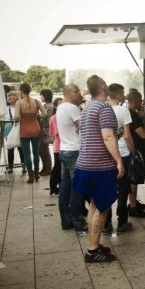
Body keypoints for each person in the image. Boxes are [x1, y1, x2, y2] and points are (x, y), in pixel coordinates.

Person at [73, 75, 123, 262]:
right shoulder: (104, 108)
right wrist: (118, 160)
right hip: (100, 166)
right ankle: (93, 251)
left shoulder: (87, 109)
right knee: (102, 208)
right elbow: (108, 136)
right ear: (103, 86)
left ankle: (93, 244)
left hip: (85, 164)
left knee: (94, 205)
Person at [103, 84, 134, 235]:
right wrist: (133, 152)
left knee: (107, 189)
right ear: (118, 95)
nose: (124, 95)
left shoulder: (102, 109)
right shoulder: (123, 110)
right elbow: (127, 136)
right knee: (122, 190)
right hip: (122, 153)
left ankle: (106, 224)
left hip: (107, 154)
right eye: (122, 93)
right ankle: (122, 222)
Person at [56, 85, 86, 231]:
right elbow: (85, 126)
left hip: (64, 150)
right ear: (67, 94)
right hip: (74, 152)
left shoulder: (61, 107)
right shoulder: (73, 108)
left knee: (65, 188)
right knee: (77, 188)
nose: (79, 94)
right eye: (75, 92)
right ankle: (78, 221)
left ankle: (65, 221)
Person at [15, 83, 47, 184]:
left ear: (20, 91)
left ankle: (31, 175)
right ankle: (37, 173)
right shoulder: (36, 101)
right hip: (35, 128)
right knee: (36, 152)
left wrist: (20, 118)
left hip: (24, 129)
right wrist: (36, 118)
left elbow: (16, 117)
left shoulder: (19, 102)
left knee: (27, 153)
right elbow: (45, 114)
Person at [126, 90, 145, 218]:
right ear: (135, 100)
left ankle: (133, 202)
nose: (141, 101)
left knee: (135, 178)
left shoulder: (130, 113)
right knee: (134, 179)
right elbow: (142, 134)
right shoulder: (133, 116)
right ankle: (133, 206)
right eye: (140, 99)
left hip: (134, 150)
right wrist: (144, 122)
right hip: (137, 151)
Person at [5, 91, 25, 174]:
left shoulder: (20, 107)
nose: (9, 97)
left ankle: (24, 166)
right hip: (8, 130)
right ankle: (10, 167)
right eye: (8, 96)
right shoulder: (6, 109)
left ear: (17, 97)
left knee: (21, 148)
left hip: (19, 129)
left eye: (12, 96)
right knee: (10, 148)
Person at [48, 97, 63, 196]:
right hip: (59, 147)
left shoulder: (63, 116)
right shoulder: (54, 118)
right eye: (60, 105)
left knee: (61, 169)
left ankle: (61, 187)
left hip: (64, 146)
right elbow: (57, 134)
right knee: (57, 168)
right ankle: (53, 188)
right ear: (55, 106)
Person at [38, 89, 54, 176]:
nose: (40, 97)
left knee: (43, 149)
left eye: (41, 95)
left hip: (46, 130)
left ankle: (48, 168)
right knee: (41, 149)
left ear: (45, 96)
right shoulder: (45, 106)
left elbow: (45, 118)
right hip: (44, 129)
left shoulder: (50, 107)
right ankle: (45, 167)